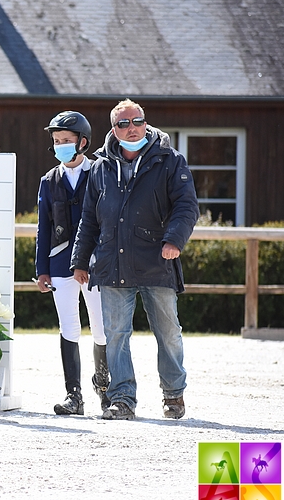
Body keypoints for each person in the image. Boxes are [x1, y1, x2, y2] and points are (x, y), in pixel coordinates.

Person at [71, 99, 199, 421]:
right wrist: (80, 260)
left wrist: (174, 239)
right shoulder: (100, 167)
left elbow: (187, 206)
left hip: (157, 261)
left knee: (168, 332)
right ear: (113, 130)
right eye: (123, 124)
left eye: (136, 121)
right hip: (112, 263)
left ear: (146, 123)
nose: (131, 128)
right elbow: (89, 218)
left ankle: (173, 395)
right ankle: (123, 399)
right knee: (116, 334)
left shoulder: (170, 161)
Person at [36, 111, 108, 415]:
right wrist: (41, 269)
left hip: (94, 263)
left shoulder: (101, 174)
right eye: (56, 141)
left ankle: (105, 389)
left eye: (66, 141)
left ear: (83, 143)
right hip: (60, 262)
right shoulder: (48, 181)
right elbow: (43, 228)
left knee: (101, 327)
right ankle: (73, 395)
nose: (60, 146)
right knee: (69, 326)